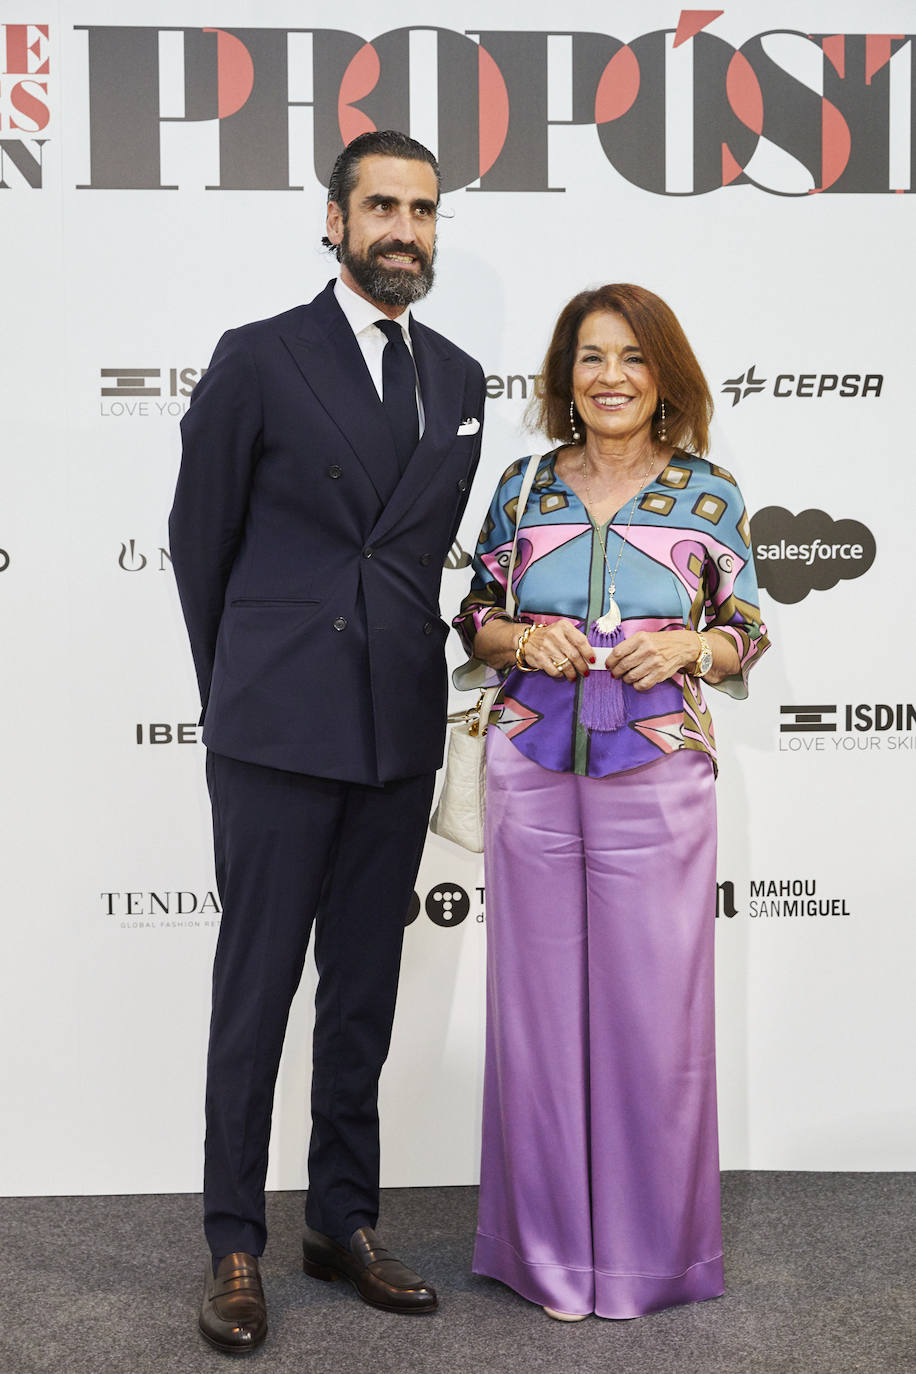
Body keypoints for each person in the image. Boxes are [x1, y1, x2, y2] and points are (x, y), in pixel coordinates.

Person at [169, 130, 485, 1356]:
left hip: (395, 728)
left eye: (423, 209)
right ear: (335, 222)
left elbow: (417, 561)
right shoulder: (259, 358)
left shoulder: (456, 377)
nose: (404, 229)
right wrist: (241, 688)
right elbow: (202, 545)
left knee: (363, 993)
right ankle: (234, 1239)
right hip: (276, 726)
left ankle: (340, 1220)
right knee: (253, 994)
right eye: (382, 208)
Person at [454, 284, 769, 1322]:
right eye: (590, 358)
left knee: (654, 1019)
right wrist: (514, 640)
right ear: (566, 378)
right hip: (531, 766)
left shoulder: (708, 496)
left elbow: (745, 631)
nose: (610, 377)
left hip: (659, 771)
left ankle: (647, 1260)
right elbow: (476, 615)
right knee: (537, 1021)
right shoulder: (524, 487)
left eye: (631, 357)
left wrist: (693, 645)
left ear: (662, 374)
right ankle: (545, 1257)